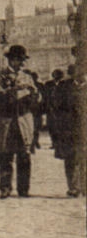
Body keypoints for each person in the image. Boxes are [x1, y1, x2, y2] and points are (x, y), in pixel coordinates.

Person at [0, 44, 40, 198]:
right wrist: (15, 90)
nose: (22, 63)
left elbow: (36, 99)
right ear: (11, 60)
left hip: (23, 121)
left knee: (24, 156)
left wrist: (34, 94)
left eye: (23, 60)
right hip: (6, 121)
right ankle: (5, 187)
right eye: (19, 60)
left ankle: (23, 189)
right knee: (5, 156)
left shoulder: (27, 77)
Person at [45, 65, 79, 198]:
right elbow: (56, 107)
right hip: (69, 128)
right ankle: (73, 187)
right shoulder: (63, 87)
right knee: (71, 159)